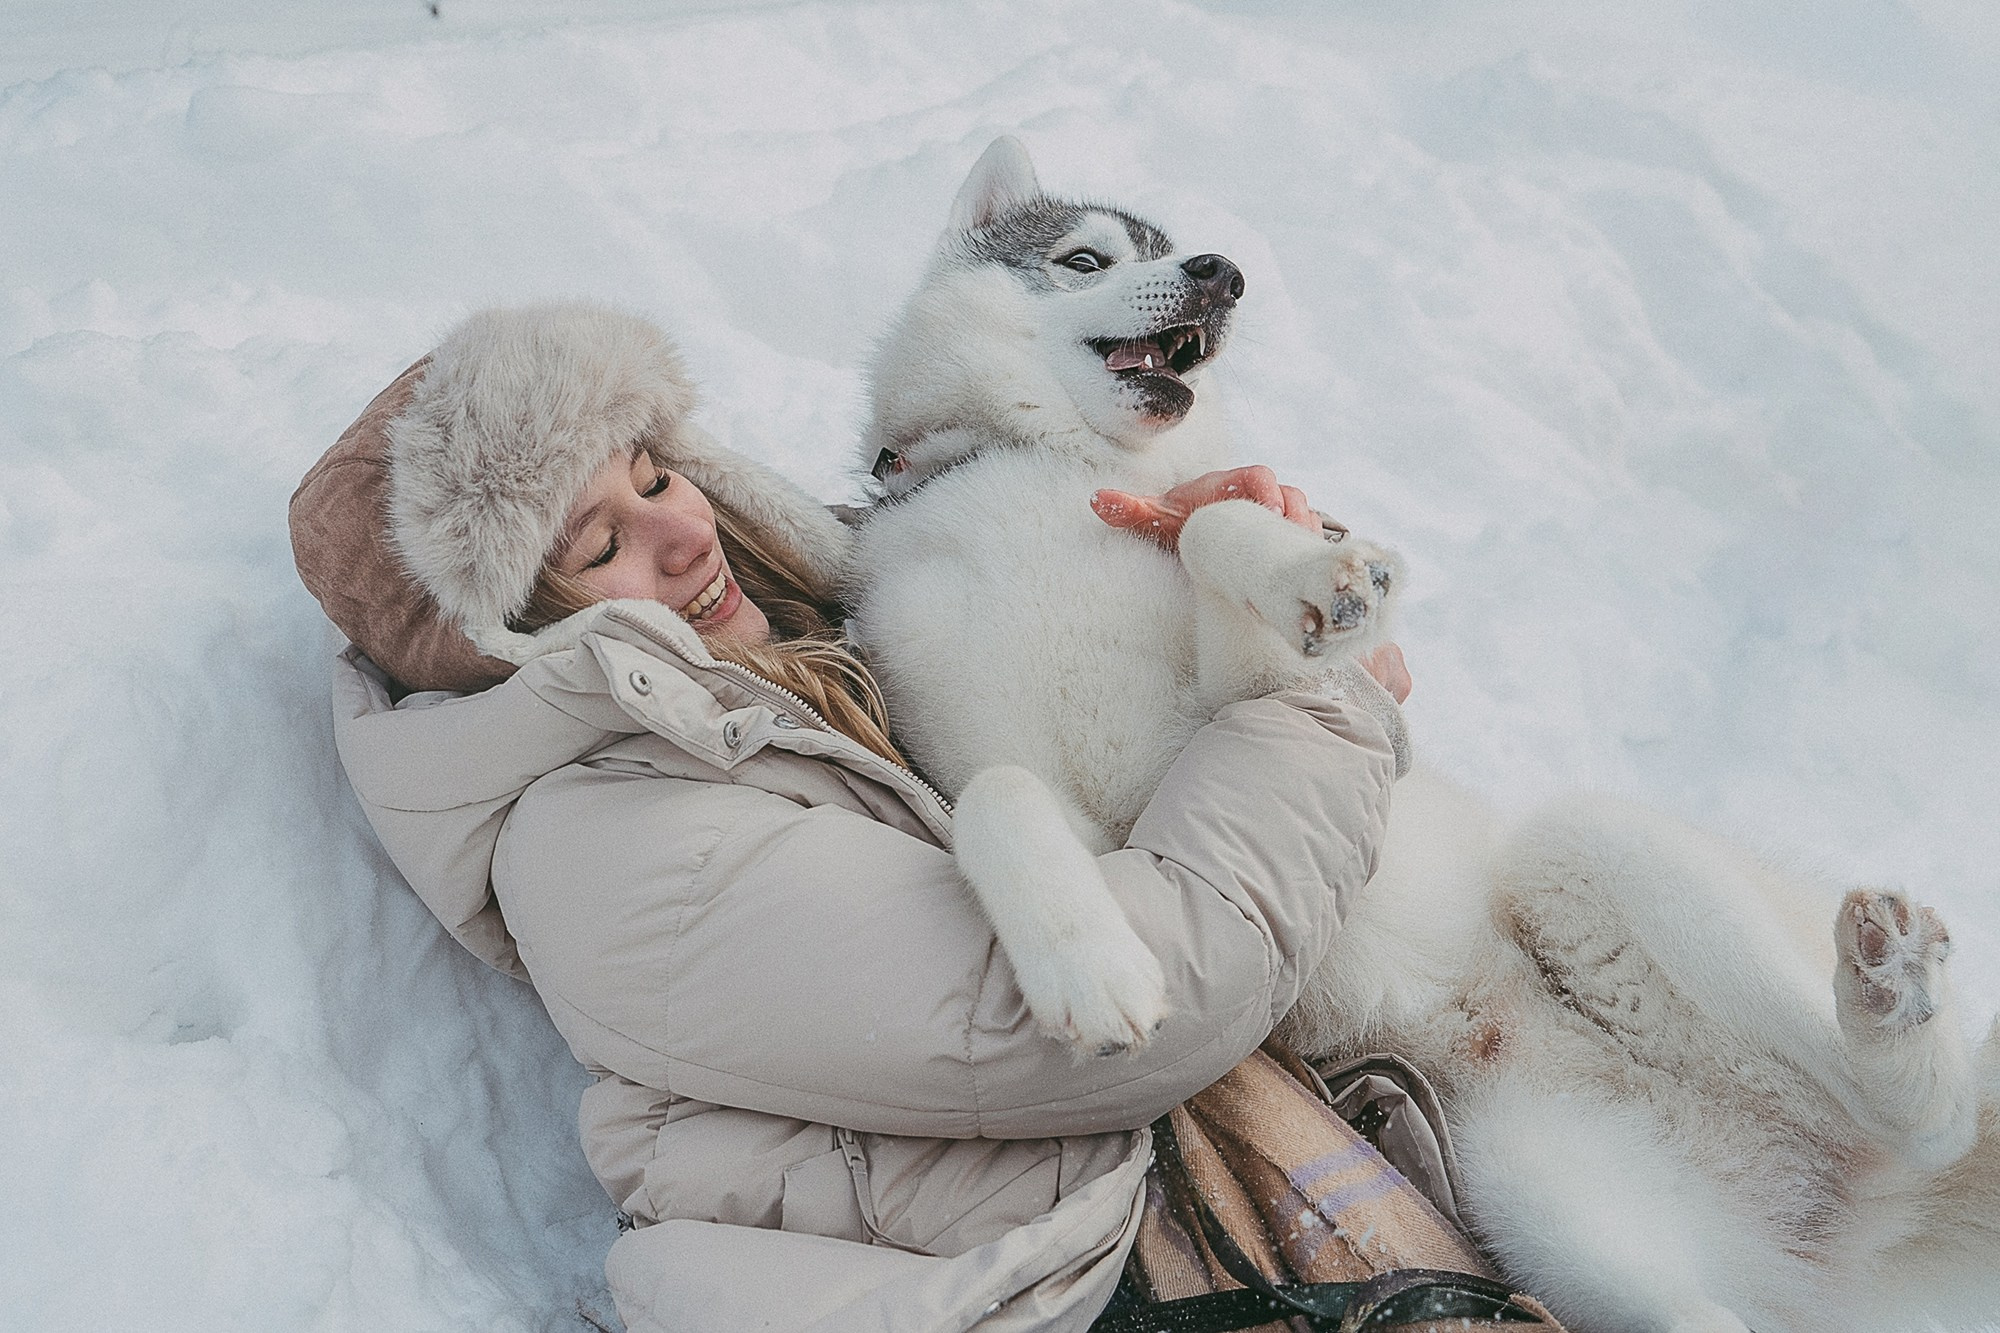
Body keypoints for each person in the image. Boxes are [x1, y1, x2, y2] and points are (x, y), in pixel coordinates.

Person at [289, 302, 1412, 1332]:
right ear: (506, 639)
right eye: (597, 546)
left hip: (1209, 1209)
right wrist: (1320, 707)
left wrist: (1247, 583)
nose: (681, 533)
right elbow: (1121, 1016)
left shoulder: (838, 634)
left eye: (652, 475)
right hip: (1041, 1284)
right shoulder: (605, 849)